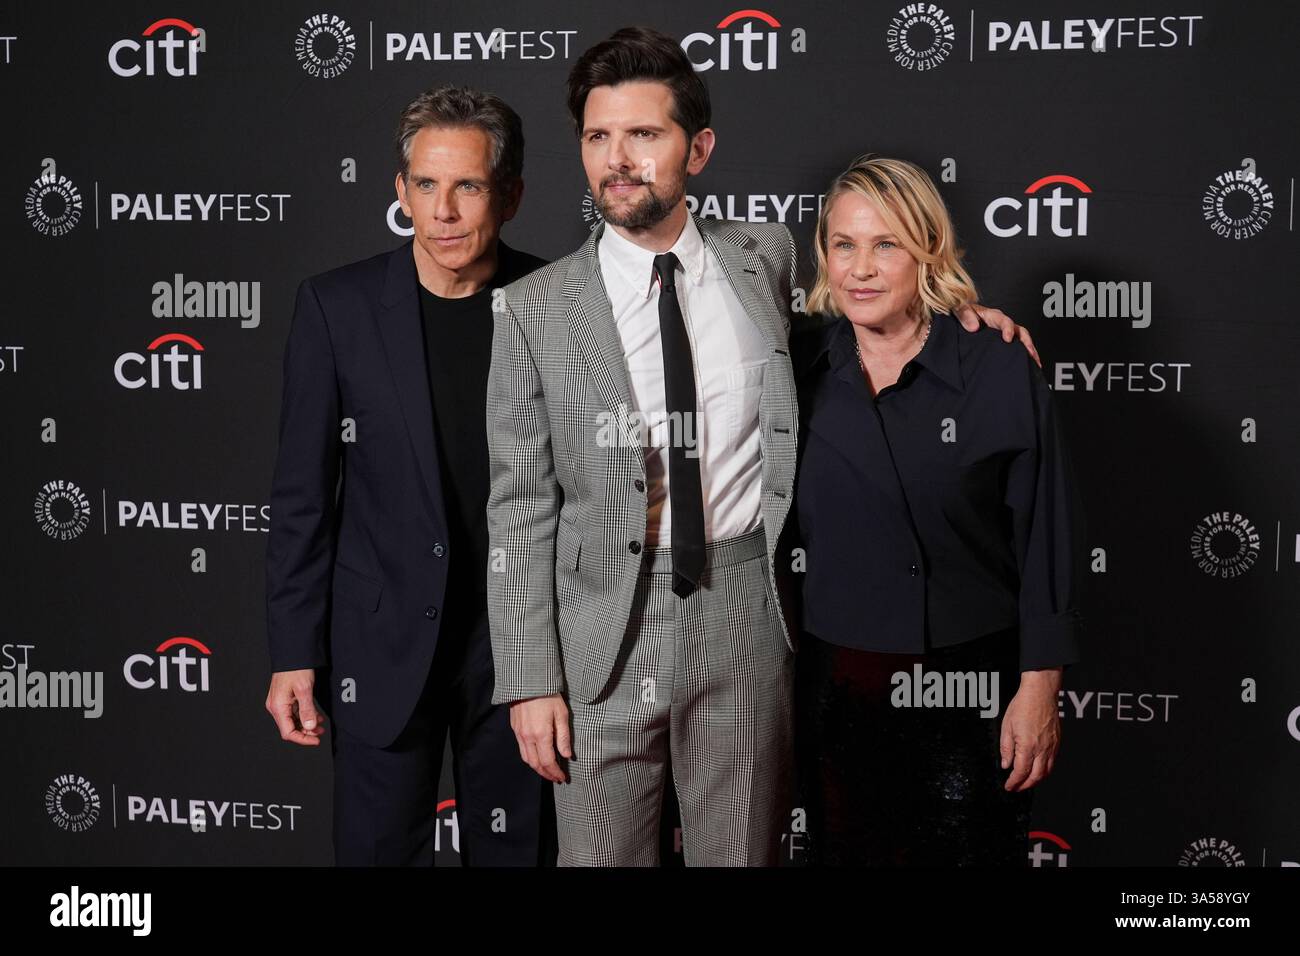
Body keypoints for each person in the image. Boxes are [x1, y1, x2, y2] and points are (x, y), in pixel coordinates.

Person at [485, 27, 1032, 867]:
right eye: (598, 137)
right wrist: (528, 680)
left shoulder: (761, 260)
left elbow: (865, 322)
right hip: (601, 626)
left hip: (746, 609)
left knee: (743, 854)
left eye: (644, 135)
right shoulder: (533, 309)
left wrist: (964, 320)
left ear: (697, 149)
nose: (617, 160)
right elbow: (520, 508)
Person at [264, 85, 554, 866]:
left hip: (519, 657)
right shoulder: (337, 308)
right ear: (401, 192)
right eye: (425, 185)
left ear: (512, 195)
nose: (445, 211)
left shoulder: (557, 303)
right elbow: (301, 498)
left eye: (468, 186)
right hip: (378, 650)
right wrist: (294, 652)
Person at [790, 154, 1085, 866]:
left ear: (926, 249)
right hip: (839, 693)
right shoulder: (796, 366)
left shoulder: (996, 364)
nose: (860, 267)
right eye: (844, 244)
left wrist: (1039, 688)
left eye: (885, 244)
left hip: (973, 689)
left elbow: (1046, 534)